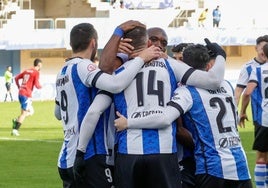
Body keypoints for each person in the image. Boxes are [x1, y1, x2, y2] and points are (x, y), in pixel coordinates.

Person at [75, 24, 226, 187]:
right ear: (146, 43)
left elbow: (94, 111)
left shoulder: (119, 72)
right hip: (164, 152)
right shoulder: (171, 66)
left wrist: (80, 152)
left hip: (129, 153)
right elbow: (213, 81)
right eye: (154, 40)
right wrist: (221, 55)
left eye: (163, 42)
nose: (159, 45)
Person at [115, 43, 252, 188]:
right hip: (241, 166)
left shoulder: (186, 92)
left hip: (212, 168)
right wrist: (221, 54)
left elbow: (164, 118)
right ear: (208, 65)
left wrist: (128, 123)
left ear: (185, 67)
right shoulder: (226, 85)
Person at [55, 21, 161, 188]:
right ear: (93, 43)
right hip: (89, 154)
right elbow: (115, 84)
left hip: (65, 156)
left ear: (71, 44)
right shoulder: (84, 66)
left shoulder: (62, 71)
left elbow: (57, 113)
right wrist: (141, 58)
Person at [239, 43, 268, 188]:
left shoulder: (258, 70)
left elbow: (248, 92)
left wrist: (242, 111)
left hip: (264, 118)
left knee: (261, 155)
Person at [11, 58, 42, 136]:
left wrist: (19, 86)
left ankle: (17, 120)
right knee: (25, 113)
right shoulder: (36, 72)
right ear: (39, 65)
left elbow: (16, 78)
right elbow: (37, 85)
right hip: (26, 94)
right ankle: (15, 130)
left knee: (30, 112)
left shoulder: (26, 70)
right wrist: (41, 87)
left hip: (21, 93)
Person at [234, 35, 268, 106]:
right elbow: (238, 91)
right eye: (262, 49)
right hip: (259, 112)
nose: (265, 52)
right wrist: (235, 111)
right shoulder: (248, 67)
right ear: (256, 48)